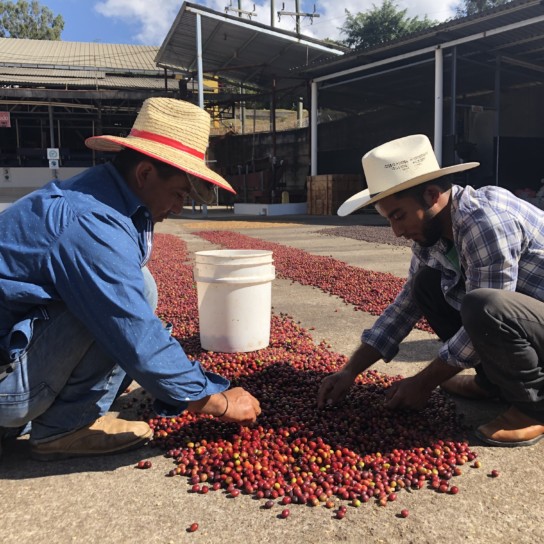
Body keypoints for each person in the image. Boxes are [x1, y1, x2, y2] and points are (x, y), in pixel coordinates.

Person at [0, 97, 261, 461]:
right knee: (113, 301)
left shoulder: (102, 195)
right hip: (6, 395)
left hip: (15, 363)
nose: (178, 208)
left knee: (138, 284)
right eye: (178, 194)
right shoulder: (89, 222)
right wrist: (215, 401)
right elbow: (135, 333)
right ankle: (63, 429)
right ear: (144, 174)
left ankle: (57, 415)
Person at [317, 134, 544, 447]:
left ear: (432, 194)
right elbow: (406, 306)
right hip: (531, 328)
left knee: (484, 305)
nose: (396, 231)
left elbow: (490, 315)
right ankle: (494, 383)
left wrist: (423, 383)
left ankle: (533, 406)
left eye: (399, 216)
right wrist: (349, 372)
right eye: (389, 219)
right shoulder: (435, 236)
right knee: (426, 284)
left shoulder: (484, 222)